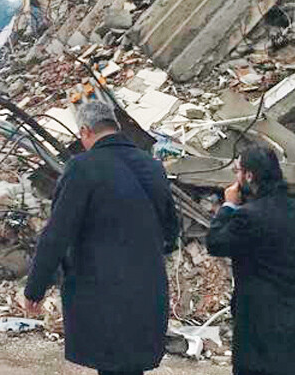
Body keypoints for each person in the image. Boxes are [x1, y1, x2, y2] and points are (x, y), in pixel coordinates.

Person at [23, 99, 179, 375]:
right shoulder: (153, 167)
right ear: (115, 126)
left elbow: (57, 234)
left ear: (85, 131)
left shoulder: (83, 168)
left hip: (102, 291)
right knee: (131, 367)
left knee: (112, 366)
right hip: (148, 288)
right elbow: (170, 232)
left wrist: (35, 288)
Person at [206, 145, 295, 375]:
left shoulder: (248, 216)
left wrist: (228, 205)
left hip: (261, 323)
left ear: (249, 176)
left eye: (238, 171)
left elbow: (215, 243)